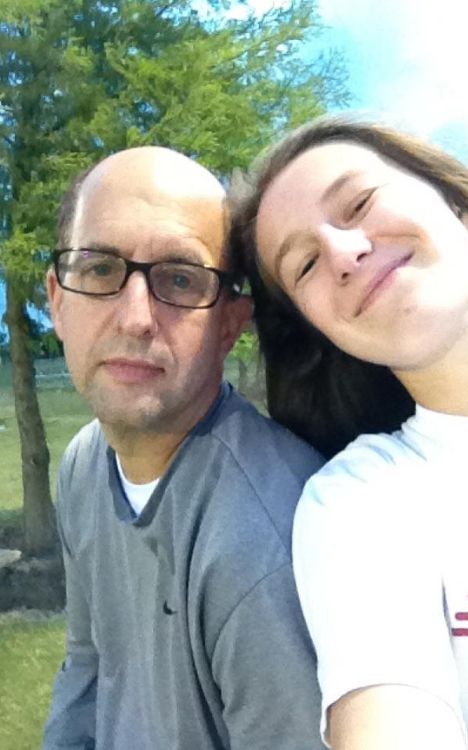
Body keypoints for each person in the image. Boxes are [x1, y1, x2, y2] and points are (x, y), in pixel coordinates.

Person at [229, 115, 468, 750]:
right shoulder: (362, 505)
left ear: (459, 205)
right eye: (303, 265)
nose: (343, 252)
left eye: (360, 202)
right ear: (320, 329)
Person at [42, 145, 326, 750]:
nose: (136, 317)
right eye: (99, 269)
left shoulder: (270, 539)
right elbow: (87, 665)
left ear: (230, 323)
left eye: (178, 279)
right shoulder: (83, 465)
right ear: (56, 300)